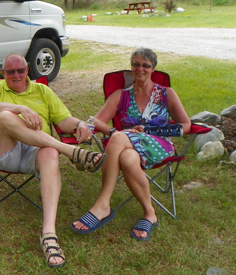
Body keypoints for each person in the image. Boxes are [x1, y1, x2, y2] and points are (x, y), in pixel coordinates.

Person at [0, 53, 106, 268]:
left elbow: (63, 120)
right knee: (5, 116)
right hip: (3, 152)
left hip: (35, 152)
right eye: (11, 72)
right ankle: (72, 152)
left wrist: (80, 124)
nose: (16, 75)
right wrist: (21, 108)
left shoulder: (43, 91)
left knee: (49, 153)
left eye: (21, 70)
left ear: (28, 70)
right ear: (3, 74)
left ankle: (49, 234)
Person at [71, 48, 191, 241]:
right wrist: (112, 131)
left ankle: (103, 204)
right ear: (131, 66)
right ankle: (150, 213)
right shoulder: (121, 95)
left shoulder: (166, 93)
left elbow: (186, 126)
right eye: (136, 64)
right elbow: (99, 121)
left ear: (153, 69)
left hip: (159, 145)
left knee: (118, 138)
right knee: (127, 157)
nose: (140, 69)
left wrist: (150, 131)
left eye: (146, 65)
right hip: (130, 146)